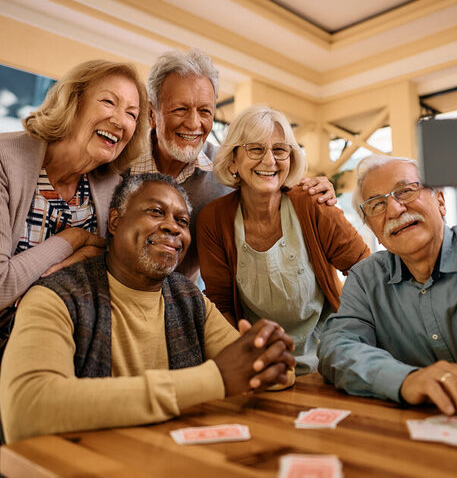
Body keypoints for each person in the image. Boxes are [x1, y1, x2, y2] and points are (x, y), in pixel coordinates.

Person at [0, 173, 295, 444]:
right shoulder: (56, 297)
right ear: (115, 222)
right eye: (156, 212)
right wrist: (214, 379)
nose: (172, 227)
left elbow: (256, 371)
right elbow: (28, 409)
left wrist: (272, 356)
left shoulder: (189, 298)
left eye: (182, 221)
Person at [318, 154, 457, 418]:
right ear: (372, 226)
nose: (394, 210)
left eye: (405, 191)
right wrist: (405, 380)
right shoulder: (367, 279)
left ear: (440, 200)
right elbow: (336, 347)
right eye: (376, 205)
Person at [130, 49, 337, 280]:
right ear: (151, 113)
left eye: (205, 111)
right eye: (180, 109)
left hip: (184, 302)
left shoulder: (229, 166)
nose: (193, 123)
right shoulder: (118, 163)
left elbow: (273, 185)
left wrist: (315, 190)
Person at [196, 105, 370, 375]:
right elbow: (221, 306)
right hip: (261, 364)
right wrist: (248, 358)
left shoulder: (313, 202)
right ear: (232, 160)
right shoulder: (213, 220)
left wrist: (346, 334)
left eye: (279, 150)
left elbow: (364, 269)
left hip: (330, 360)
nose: (270, 161)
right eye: (255, 149)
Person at [0, 59, 148, 354]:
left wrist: (100, 252)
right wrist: (75, 239)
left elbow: (118, 270)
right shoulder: (5, 160)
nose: (120, 121)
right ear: (73, 102)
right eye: (109, 102)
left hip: (71, 343)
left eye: (132, 114)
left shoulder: (113, 186)